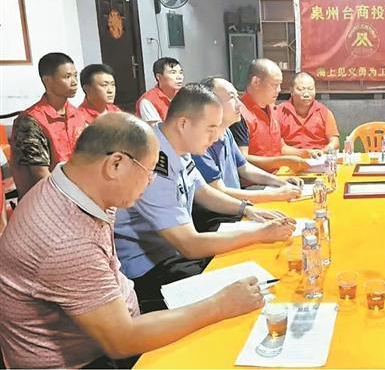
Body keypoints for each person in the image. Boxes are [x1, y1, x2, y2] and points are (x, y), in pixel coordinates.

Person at [0, 113, 267, 368]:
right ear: (115, 164)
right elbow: (123, 340)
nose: (151, 182)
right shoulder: (67, 238)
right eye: (148, 171)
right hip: (85, 360)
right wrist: (220, 304)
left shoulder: (76, 184)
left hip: (114, 318)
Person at [115, 84, 295, 311]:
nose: (216, 136)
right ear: (183, 124)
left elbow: (203, 191)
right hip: (150, 269)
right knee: (247, 294)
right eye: (210, 128)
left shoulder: (178, 147)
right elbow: (190, 244)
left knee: (251, 264)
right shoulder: (154, 162)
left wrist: (246, 209)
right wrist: (260, 233)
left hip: (174, 253)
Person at [192, 77, 303, 229]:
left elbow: (244, 167)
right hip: (218, 216)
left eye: (238, 97)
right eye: (231, 97)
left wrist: (280, 182)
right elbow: (219, 192)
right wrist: (276, 194)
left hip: (238, 205)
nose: (239, 104)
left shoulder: (226, 133)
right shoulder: (199, 143)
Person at [11, 52, 87, 198]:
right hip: (44, 199)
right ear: (47, 80)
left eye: (75, 76)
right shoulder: (30, 120)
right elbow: (40, 173)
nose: (74, 82)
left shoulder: (78, 115)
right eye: (67, 77)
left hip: (78, 193)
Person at [229, 59, 316, 173]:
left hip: (278, 174)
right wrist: (282, 161)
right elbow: (242, 159)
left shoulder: (273, 109)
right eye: (275, 85)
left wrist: (306, 153)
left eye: (280, 85)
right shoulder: (239, 114)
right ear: (256, 82)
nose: (279, 90)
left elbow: (281, 147)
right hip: (255, 180)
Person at [277, 72, 340, 152]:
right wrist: (304, 153)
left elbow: (335, 142)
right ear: (291, 91)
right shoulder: (279, 112)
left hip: (319, 156)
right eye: (301, 89)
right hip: (291, 157)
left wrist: (323, 151)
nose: (306, 94)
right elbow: (278, 145)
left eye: (310, 89)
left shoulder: (324, 112)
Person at [136, 57, 184, 125]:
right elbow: (156, 130)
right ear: (158, 77)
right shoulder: (148, 101)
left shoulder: (184, 94)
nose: (179, 77)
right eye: (173, 73)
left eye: (181, 72)